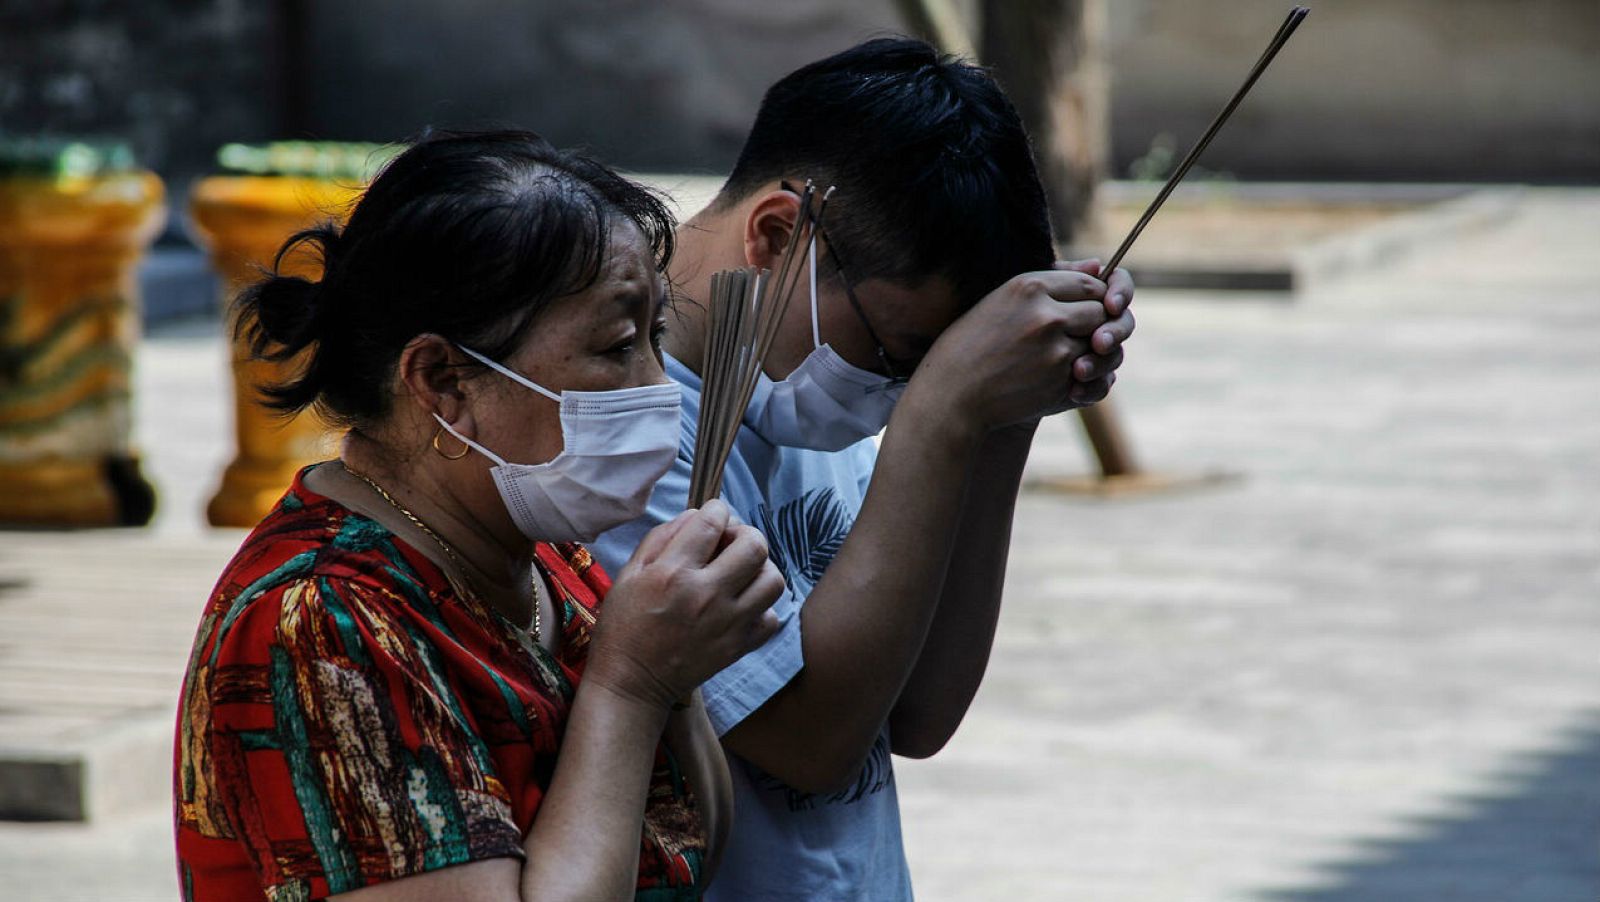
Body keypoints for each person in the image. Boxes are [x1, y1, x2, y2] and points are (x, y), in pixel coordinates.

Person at [173, 130, 784, 901]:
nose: (655, 384)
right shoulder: (321, 622)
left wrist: (678, 670)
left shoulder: (547, 558)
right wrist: (633, 683)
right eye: (619, 345)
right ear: (442, 380)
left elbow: (691, 848)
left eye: (655, 336)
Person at [591, 38, 1137, 901]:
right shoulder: (621, 439)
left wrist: (1004, 415)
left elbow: (918, 714)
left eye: (927, 371)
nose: (898, 391)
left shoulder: (800, 372)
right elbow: (811, 742)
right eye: (904, 352)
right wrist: (944, 405)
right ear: (777, 235)